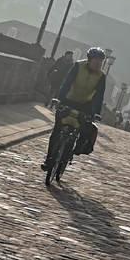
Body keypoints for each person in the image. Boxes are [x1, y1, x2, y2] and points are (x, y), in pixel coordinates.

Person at [42, 47, 107, 178]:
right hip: (69, 100)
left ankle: (74, 150)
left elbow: (99, 95)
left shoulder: (101, 76)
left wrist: (96, 112)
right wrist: (59, 99)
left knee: (86, 127)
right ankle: (49, 159)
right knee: (57, 130)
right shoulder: (78, 66)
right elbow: (66, 83)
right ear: (89, 60)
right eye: (96, 61)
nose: (98, 64)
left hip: (85, 104)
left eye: (100, 62)